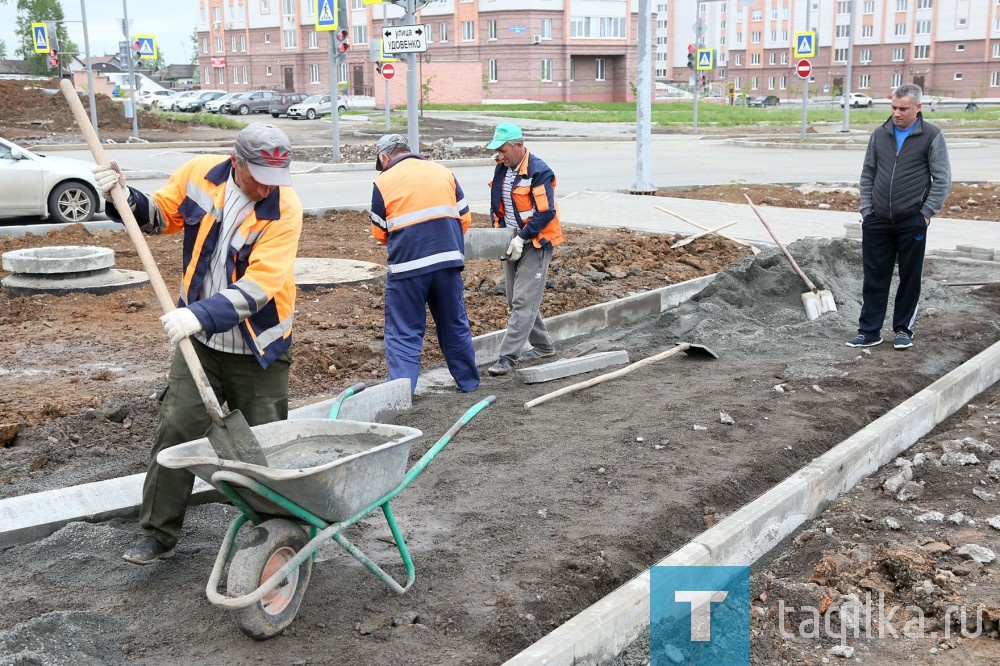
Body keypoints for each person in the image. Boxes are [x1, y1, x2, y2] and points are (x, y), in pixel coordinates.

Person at [91, 123, 303, 564]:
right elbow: (160, 217)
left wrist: (196, 314)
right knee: (176, 429)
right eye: (259, 174)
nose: (267, 186)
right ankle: (157, 533)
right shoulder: (199, 175)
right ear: (236, 160)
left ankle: (277, 536)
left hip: (257, 350)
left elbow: (261, 285)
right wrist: (124, 197)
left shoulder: (284, 208)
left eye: (275, 178)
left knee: (263, 445)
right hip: (201, 344)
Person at [369, 134, 479, 394]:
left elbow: (379, 233)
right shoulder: (443, 171)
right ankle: (469, 384)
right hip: (448, 262)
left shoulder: (383, 181)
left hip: (408, 267)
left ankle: (402, 393)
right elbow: (465, 219)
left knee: (404, 331)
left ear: (385, 157)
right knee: (454, 323)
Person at [847, 84, 951, 351]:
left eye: (903, 108)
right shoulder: (880, 134)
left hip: (911, 221)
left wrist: (926, 213)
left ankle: (904, 329)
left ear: (918, 108)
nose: (896, 113)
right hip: (877, 220)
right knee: (874, 277)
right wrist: (866, 210)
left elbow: (942, 179)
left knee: (909, 276)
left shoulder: (931, 136)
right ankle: (869, 331)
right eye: (893, 107)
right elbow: (868, 174)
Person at [485, 123, 565, 376]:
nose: (499, 155)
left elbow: (546, 212)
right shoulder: (502, 169)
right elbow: (497, 203)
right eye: (497, 150)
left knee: (522, 301)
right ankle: (543, 347)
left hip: (535, 243)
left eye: (503, 149)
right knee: (515, 300)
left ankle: (507, 357)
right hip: (511, 241)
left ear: (518, 146)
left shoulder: (539, 171)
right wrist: (500, 232)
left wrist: (522, 238)